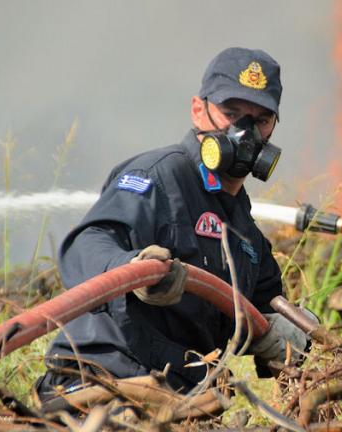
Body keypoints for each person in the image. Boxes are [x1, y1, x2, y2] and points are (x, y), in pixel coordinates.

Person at [35, 47, 309, 402]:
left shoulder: (245, 234)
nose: (246, 132)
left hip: (177, 398)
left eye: (260, 120)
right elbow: (88, 244)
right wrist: (132, 271)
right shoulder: (158, 177)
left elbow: (265, 307)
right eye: (231, 113)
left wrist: (292, 332)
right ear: (199, 110)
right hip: (99, 383)